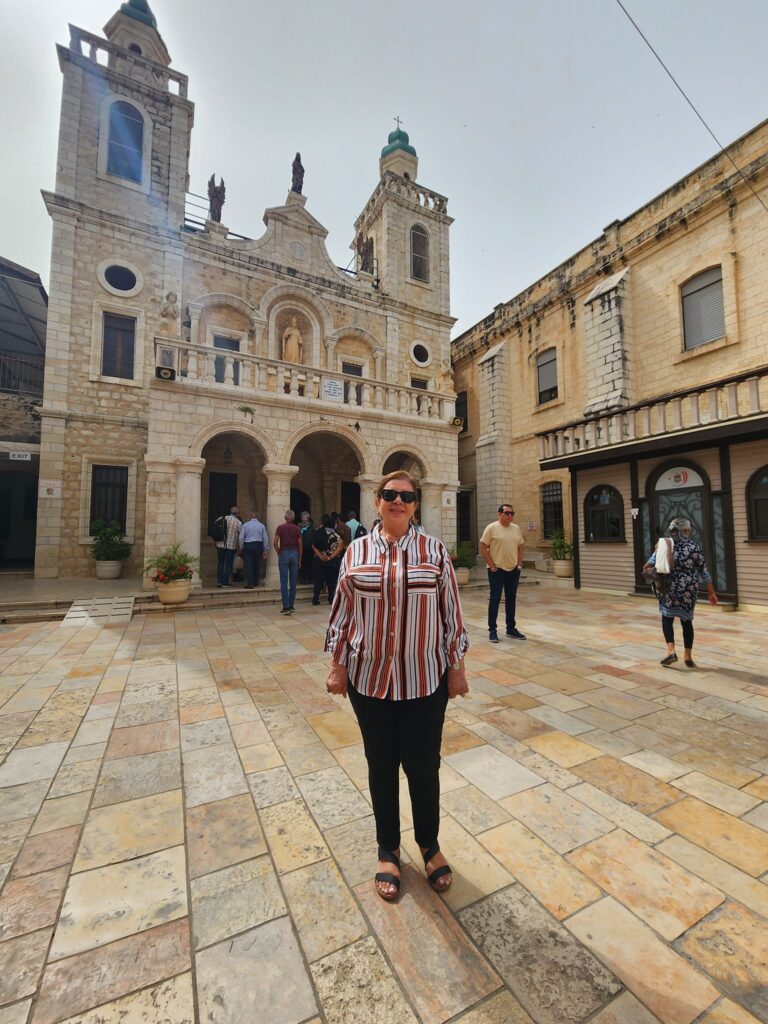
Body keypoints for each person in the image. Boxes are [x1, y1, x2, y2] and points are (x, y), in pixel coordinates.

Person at [325, 471, 469, 902]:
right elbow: (342, 613)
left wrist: (457, 668)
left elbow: (451, 616)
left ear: (415, 505)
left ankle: (429, 845)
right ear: (377, 501)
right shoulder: (356, 552)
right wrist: (337, 666)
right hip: (370, 681)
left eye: (406, 496)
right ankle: (388, 849)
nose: (397, 501)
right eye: (389, 494)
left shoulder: (434, 551)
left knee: (423, 766)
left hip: (425, 679)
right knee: (381, 765)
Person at [643, 517, 717, 667]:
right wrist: (711, 592)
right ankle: (688, 657)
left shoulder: (664, 545)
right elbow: (704, 572)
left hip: (668, 587)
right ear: (687, 530)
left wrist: (657, 559)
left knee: (667, 618)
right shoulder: (694, 547)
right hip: (688, 589)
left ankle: (671, 652)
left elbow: (647, 566)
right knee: (687, 622)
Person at [480, 503, 525, 642]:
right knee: (495, 599)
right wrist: (492, 566)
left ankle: (511, 629)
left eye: (512, 513)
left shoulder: (516, 528)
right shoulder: (491, 528)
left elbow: (521, 546)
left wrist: (519, 564)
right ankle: (492, 630)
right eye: (507, 513)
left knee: (511, 599)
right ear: (500, 514)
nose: (510, 516)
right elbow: (483, 547)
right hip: (497, 570)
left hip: (513, 570)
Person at [311, 516, 344, 605]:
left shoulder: (318, 533)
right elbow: (339, 548)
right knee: (331, 581)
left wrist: (320, 555)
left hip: (319, 560)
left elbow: (313, 546)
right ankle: (331, 599)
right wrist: (330, 557)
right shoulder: (336, 535)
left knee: (318, 581)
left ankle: (315, 599)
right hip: (332, 561)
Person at [275, 510, 303, 614]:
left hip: (284, 553)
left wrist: (279, 552)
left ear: (285, 517)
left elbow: (275, 542)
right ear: (293, 518)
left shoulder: (280, 527)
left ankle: (286, 607)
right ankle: (291, 605)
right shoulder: (297, 529)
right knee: (293, 582)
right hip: (294, 553)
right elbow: (300, 544)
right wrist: (300, 558)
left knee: (284, 581)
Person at [239, 511, 269, 590]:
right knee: (256, 564)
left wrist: (242, 547)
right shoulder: (261, 525)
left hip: (248, 545)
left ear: (250, 518)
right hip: (258, 545)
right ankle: (255, 581)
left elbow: (241, 537)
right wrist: (266, 549)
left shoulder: (245, 525)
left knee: (248, 565)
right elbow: (265, 538)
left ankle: (250, 583)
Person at [215, 506, 242, 588]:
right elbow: (239, 537)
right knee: (229, 564)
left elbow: (215, 531)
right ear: (237, 513)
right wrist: (239, 548)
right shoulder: (238, 522)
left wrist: (215, 542)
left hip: (220, 545)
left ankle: (219, 581)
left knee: (220, 563)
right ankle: (225, 582)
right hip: (231, 546)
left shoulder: (220, 519)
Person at [299, 511, 315, 583]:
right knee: (303, 563)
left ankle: (310, 579)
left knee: (310, 563)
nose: (303, 519)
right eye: (302, 517)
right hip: (302, 547)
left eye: (304, 517)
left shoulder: (312, 526)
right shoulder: (299, 526)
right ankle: (304, 579)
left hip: (310, 547)